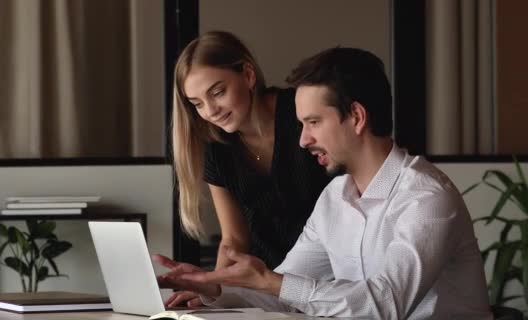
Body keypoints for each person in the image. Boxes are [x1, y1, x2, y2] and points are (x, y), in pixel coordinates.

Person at [155, 47, 493, 319]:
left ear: (357, 117)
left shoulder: (425, 197)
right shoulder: (334, 197)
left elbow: (387, 305)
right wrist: (213, 288)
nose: (302, 140)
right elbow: (283, 295)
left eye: (314, 122)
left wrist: (273, 282)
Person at [170, 31, 331, 307]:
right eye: (197, 104)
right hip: (265, 290)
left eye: (218, 92)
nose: (210, 111)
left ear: (248, 74)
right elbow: (234, 238)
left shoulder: (302, 116)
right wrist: (212, 290)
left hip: (328, 283)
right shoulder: (217, 149)